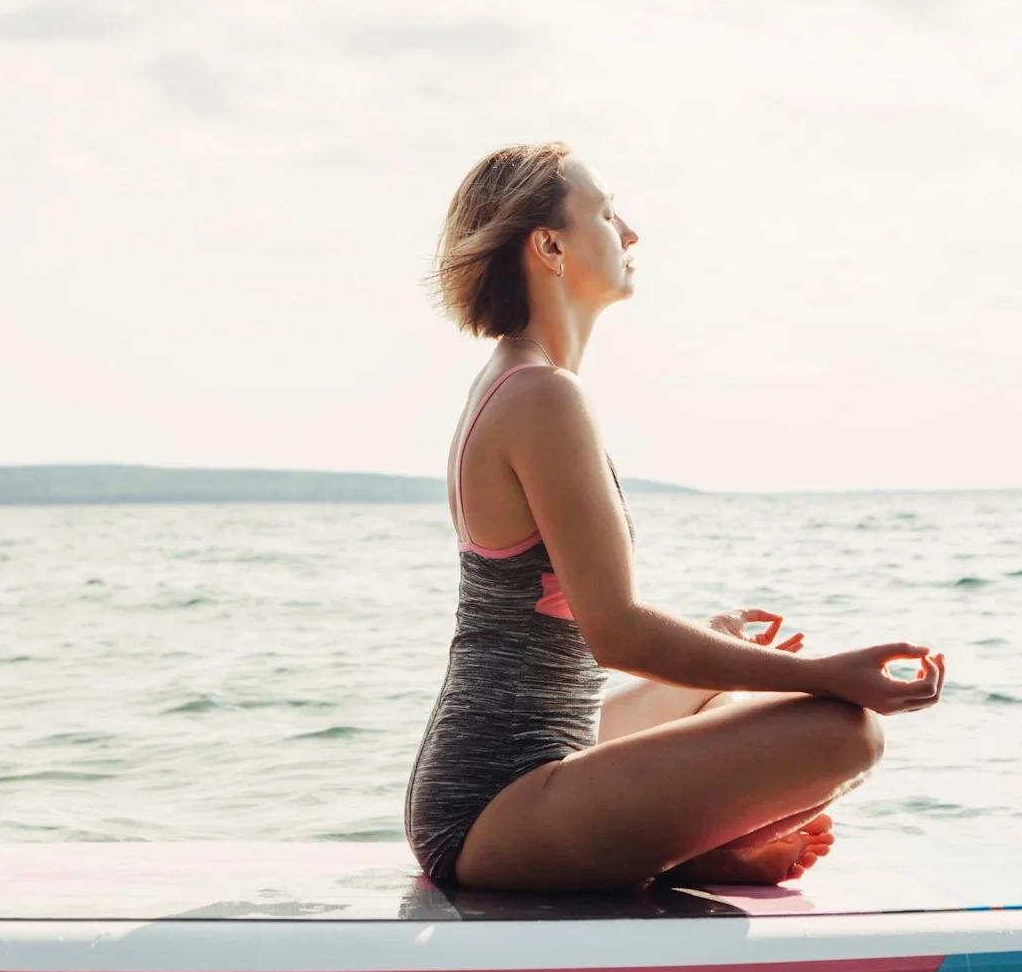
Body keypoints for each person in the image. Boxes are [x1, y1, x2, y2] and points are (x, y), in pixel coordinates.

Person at [403, 141, 944, 892]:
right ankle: (699, 856)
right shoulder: (540, 396)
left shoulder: (524, 385)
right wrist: (822, 672)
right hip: (491, 807)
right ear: (550, 245)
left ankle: (697, 850)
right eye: (606, 211)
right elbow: (615, 629)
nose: (629, 233)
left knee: (742, 699)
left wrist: (720, 647)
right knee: (841, 727)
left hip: (527, 767)